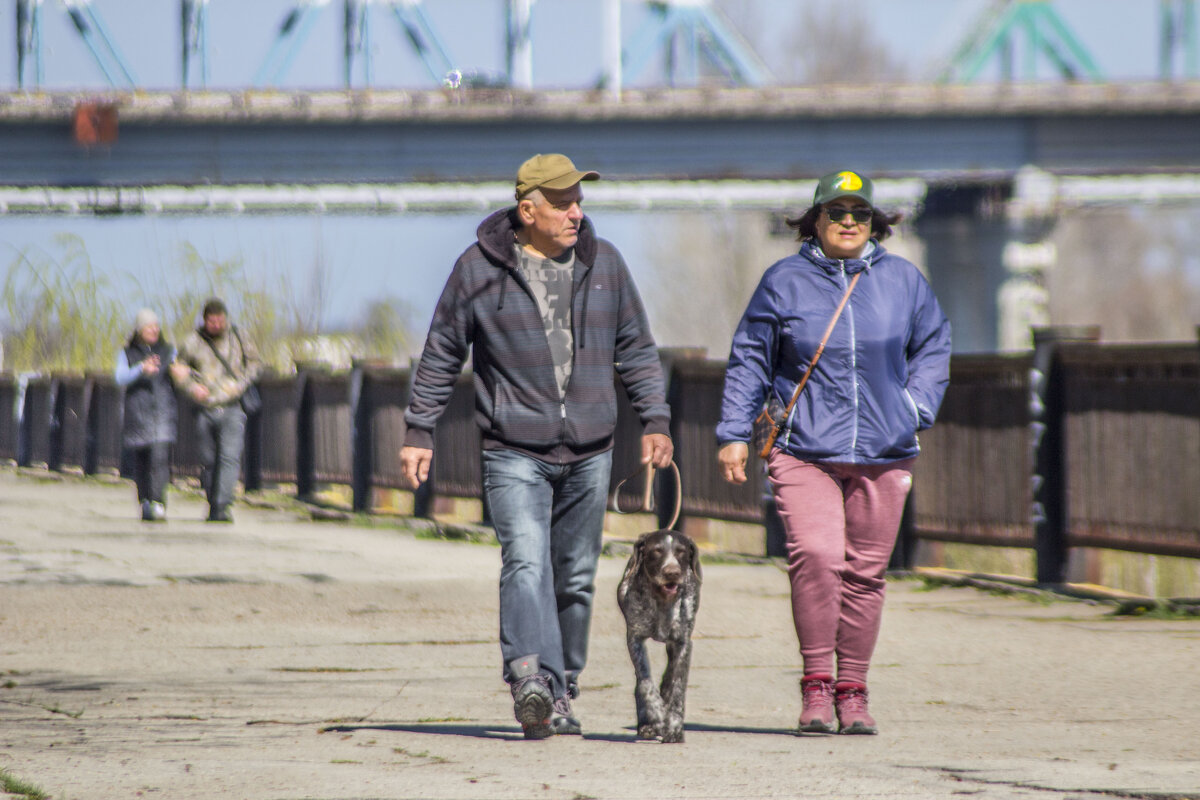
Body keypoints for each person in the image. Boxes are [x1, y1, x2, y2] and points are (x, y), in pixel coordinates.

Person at [400, 153, 674, 740]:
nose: (577, 212)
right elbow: (442, 350)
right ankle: (531, 680)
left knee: (573, 576)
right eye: (563, 202)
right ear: (528, 210)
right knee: (525, 560)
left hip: (591, 449)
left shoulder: (605, 264)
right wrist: (420, 429)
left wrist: (655, 421)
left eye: (579, 200)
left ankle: (563, 688)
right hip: (512, 448)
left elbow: (638, 349)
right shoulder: (478, 269)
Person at [716, 169, 951, 736]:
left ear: (876, 223)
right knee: (819, 558)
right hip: (804, 447)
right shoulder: (784, 281)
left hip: (884, 448)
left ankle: (855, 693)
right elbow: (750, 356)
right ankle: (817, 685)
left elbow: (934, 346)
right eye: (837, 213)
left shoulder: (903, 281)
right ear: (814, 221)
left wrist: (914, 409)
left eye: (860, 214)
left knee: (866, 574)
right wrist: (731, 432)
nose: (849, 222)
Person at [170, 298, 262, 523]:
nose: (216, 325)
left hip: (232, 406)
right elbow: (178, 369)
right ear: (205, 320)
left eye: (220, 321)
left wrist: (241, 383)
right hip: (205, 408)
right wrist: (192, 388)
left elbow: (255, 364)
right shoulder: (193, 341)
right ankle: (213, 501)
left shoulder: (239, 337)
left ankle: (223, 506)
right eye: (212, 321)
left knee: (229, 458)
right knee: (209, 460)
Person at [115, 308, 177, 522]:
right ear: (139, 329)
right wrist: (141, 368)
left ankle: (159, 502)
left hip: (162, 413)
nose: (153, 330)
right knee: (141, 461)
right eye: (148, 327)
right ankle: (145, 501)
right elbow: (120, 377)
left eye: (156, 326)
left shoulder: (169, 351)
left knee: (159, 460)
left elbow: (179, 372)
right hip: (138, 414)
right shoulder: (127, 353)